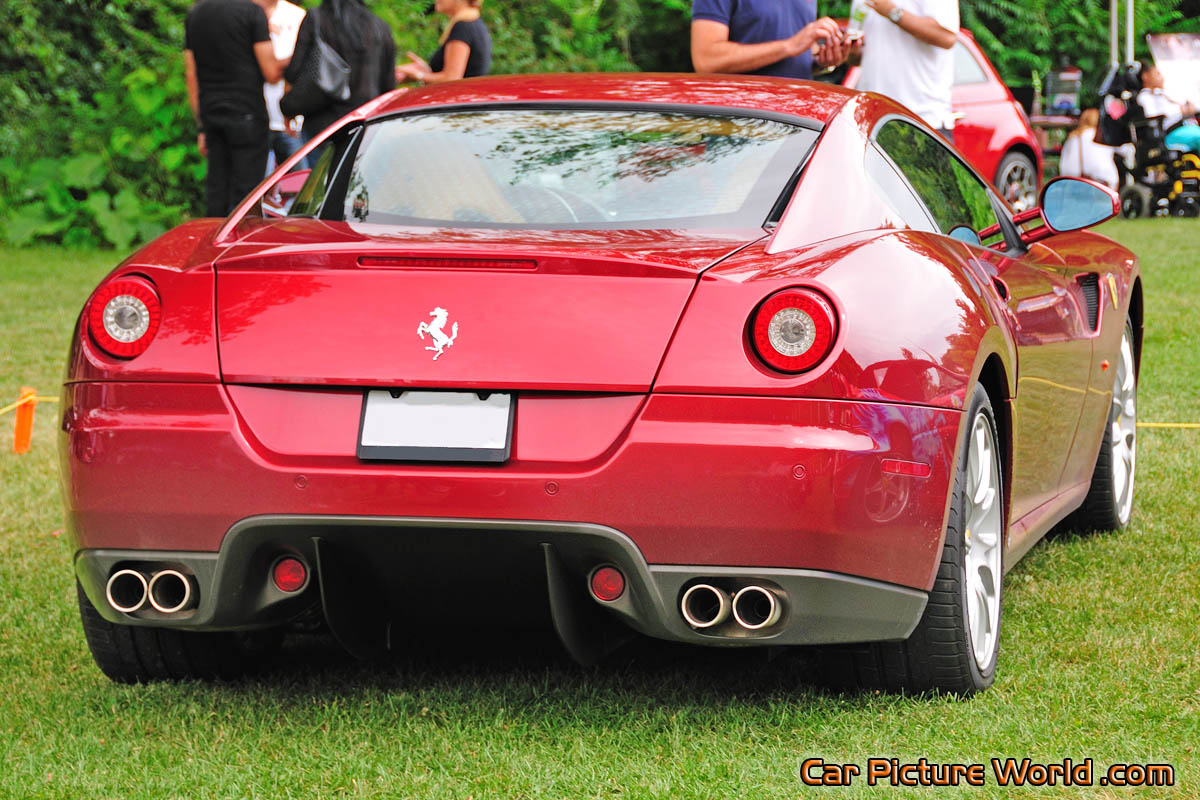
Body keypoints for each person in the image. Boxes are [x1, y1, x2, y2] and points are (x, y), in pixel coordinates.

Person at [184, 0, 288, 216]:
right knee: (247, 198)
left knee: (216, 191)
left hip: (211, 116)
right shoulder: (252, 13)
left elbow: (192, 75)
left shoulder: (196, 14)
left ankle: (212, 245)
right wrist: (296, 57)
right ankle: (240, 247)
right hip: (247, 114)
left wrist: (201, 126)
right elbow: (271, 73)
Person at [281, 0, 396, 144]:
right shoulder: (380, 27)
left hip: (323, 125)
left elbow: (293, 71)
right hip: (367, 123)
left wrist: (288, 108)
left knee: (321, 167)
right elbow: (389, 86)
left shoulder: (317, 19)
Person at [856, 0, 959, 140]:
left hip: (922, 122)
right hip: (872, 122)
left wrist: (892, 12)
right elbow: (856, 58)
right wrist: (850, 50)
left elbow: (947, 37)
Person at [689, 1, 853, 80]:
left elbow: (797, 51)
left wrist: (822, 61)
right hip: (741, 128)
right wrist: (789, 45)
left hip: (800, 126)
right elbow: (707, 60)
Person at [253, 0, 307, 173]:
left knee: (300, 185)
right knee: (255, 190)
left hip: (291, 121)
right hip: (255, 119)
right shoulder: (247, 13)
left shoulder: (297, 15)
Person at [395, 0, 492, 84]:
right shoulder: (475, 24)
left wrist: (419, 75)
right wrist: (427, 70)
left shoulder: (463, 27)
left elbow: (451, 79)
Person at [1137, 63, 1200, 154]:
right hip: (1169, 133)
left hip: (1186, 127)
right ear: (1145, 76)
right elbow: (1151, 118)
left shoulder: (1163, 94)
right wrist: (1180, 111)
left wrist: (1190, 108)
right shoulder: (1145, 97)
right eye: (1157, 74)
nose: (1162, 77)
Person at [1060, 109, 1119, 189]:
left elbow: (1063, 163)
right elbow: (1124, 149)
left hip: (1074, 182)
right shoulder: (1101, 136)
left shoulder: (1073, 137)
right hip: (1103, 182)